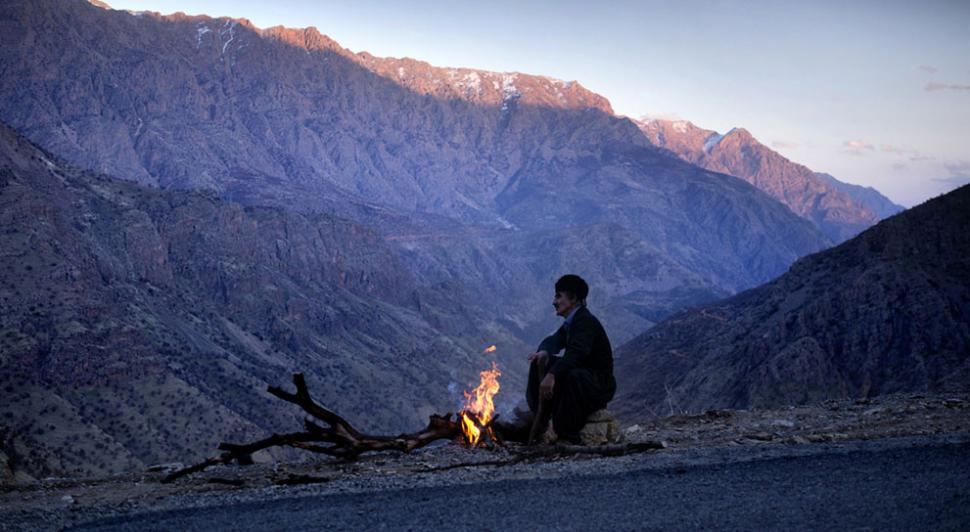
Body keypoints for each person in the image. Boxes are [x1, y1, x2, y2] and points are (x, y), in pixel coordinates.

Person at [525, 274, 616, 444]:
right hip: (584, 376)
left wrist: (552, 375)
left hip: (598, 383)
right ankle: (539, 418)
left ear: (573, 298)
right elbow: (554, 340)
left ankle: (567, 435)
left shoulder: (585, 321)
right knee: (540, 362)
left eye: (558, 296)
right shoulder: (571, 322)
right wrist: (544, 351)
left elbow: (577, 353)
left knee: (571, 376)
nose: (554, 301)